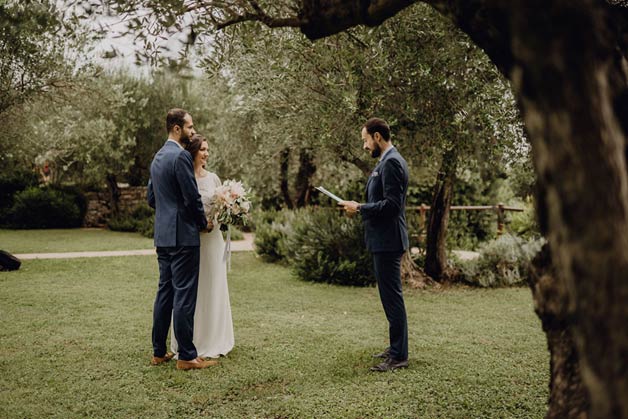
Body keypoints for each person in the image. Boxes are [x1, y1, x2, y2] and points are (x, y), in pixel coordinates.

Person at [147, 108, 217, 370]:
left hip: (163, 236)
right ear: (177, 128)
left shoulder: (157, 158)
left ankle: (158, 351)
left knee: (164, 292)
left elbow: (152, 199)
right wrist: (203, 223)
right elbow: (191, 198)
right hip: (184, 238)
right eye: (189, 127)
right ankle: (187, 356)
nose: (192, 131)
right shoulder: (181, 157)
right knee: (185, 294)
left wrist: (168, 213)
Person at [339, 117, 410, 372]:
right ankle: (395, 348)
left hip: (389, 241)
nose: (365, 146)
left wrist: (359, 208)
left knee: (393, 298)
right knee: (388, 298)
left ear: (377, 136)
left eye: (365, 140)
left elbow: (392, 206)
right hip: (383, 240)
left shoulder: (392, 163)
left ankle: (399, 355)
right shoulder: (385, 161)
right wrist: (358, 207)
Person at [170, 134, 235, 358]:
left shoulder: (214, 179)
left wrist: (231, 213)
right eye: (203, 149)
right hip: (193, 240)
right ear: (194, 151)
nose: (206, 153)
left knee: (214, 286)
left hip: (213, 240)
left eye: (208, 149)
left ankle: (216, 338)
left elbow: (221, 207)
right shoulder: (185, 177)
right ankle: (194, 339)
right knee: (194, 291)